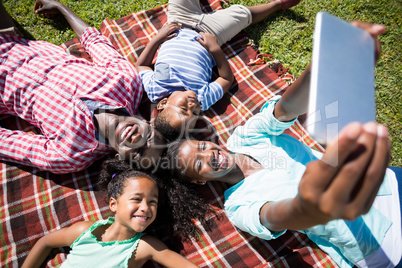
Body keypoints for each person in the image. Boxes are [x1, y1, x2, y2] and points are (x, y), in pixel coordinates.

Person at [161, 22, 402, 268]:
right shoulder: (237, 206)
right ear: (200, 181)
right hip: (380, 242)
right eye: (198, 164)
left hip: (386, 182)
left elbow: (286, 110)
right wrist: (307, 206)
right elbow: (274, 216)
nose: (209, 156)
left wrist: (323, 64)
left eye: (202, 148)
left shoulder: (243, 138)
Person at [0, 0, 164, 174]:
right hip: (13, 42)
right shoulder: (126, 81)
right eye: (149, 137)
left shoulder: (69, 154)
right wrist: (61, 8)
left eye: (138, 151)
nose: (137, 138)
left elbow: (7, 142)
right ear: (148, 123)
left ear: (120, 158)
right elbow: (94, 41)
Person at [136, 0, 301, 141]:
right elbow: (225, 80)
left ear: (163, 103)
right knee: (242, 15)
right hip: (210, 33)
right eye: (194, 113)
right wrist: (214, 48)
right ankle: (277, 4)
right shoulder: (202, 98)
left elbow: (141, 66)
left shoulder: (155, 89)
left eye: (184, 109)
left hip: (177, 23)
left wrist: (158, 38)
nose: (193, 105)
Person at [21, 164, 198, 268]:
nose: (145, 207)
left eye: (153, 202)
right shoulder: (84, 231)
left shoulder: (144, 246)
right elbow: (45, 242)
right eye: (136, 199)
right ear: (113, 204)